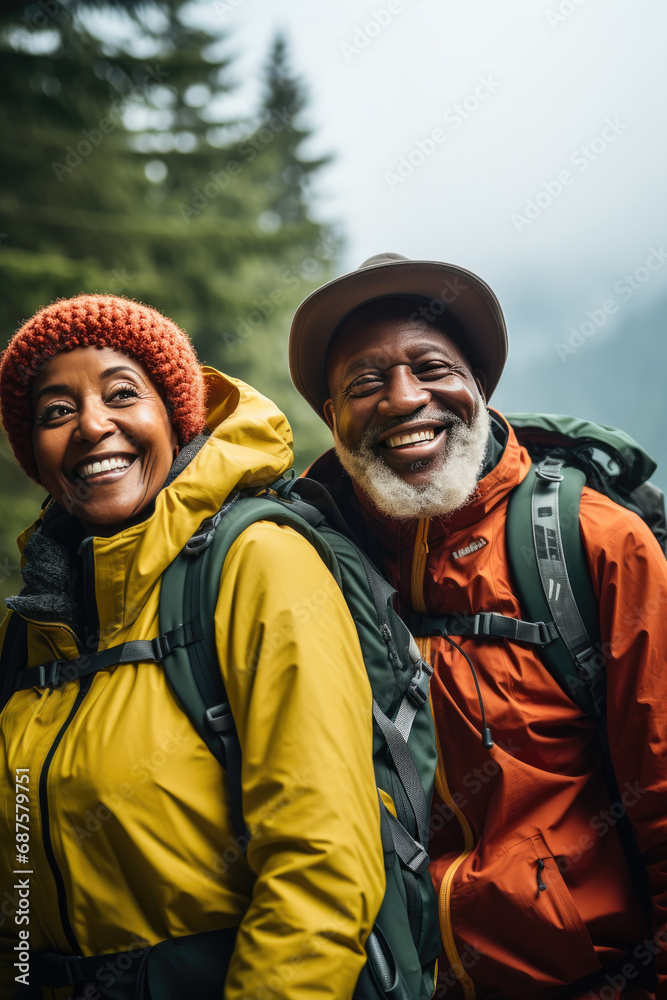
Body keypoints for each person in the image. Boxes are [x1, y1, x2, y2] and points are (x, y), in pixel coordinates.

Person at [288, 252, 667, 1000]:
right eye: (364, 384)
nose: (402, 400)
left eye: (430, 367)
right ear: (331, 421)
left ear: (477, 389)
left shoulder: (594, 544)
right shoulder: (301, 564)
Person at [0, 293, 384, 1000]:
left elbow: (321, 869)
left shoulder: (257, 563)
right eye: (55, 412)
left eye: (122, 394)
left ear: (176, 418)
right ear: (35, 454)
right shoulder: (32, 623)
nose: (89, 426)